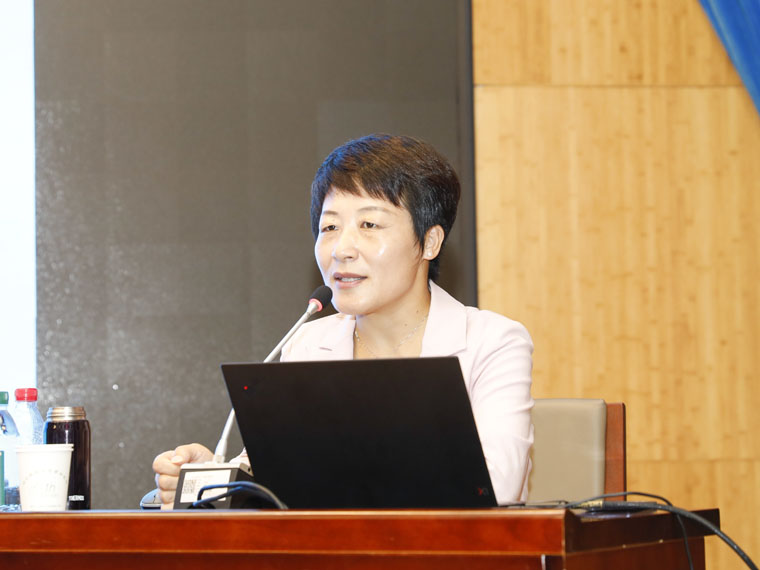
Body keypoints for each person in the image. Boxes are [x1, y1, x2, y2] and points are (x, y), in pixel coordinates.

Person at [153, 134, 534, 508]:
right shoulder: (308, 344)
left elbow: (498, 486)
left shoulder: (492, 341)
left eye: (369, 225)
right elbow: (271, 478)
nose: (341, 249)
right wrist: (212, 478)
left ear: (430, 242)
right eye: (330, 227)